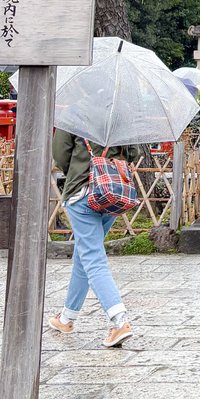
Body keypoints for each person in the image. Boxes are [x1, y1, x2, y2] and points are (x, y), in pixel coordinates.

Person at [49, 131, 141, 347]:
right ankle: (66, 318)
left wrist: (77, 170)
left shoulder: (75, 113)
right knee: (84, 253)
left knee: (92, 257)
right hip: (113, 191)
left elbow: (61, 154)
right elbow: (133, 152)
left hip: (82, 192)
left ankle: (120, 321)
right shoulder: (119, 113)